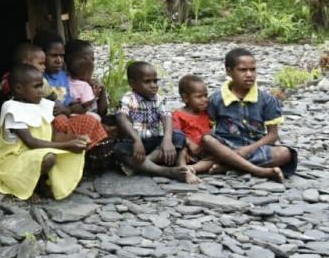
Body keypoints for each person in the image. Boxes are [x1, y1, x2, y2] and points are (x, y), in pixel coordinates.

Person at [0, 64, 87, 200]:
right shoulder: (11, 109)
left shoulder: (43, 105)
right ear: (19, 89)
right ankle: (31, 186)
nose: (41, 91)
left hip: (36, 153)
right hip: (16, 161)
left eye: (41, 86)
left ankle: (42, 182)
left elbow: (53, 136)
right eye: (36, 86)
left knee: (71, 151)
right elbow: (31, 142)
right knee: (49, 157)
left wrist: (75, 138)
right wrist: (67, 144)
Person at [199, 48, 297, 181]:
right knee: (207, 140)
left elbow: (273, 135)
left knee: (284, 153)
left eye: (253, 69)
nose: (249, 74)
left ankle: (228, 166)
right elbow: (206, 128)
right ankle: (258, 170)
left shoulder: (267, 99)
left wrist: (249, 149)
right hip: (227, 146)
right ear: (229, 71)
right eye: (243, 70)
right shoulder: (216, 99)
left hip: (256, 146)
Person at [114, 61, 194, 182]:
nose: (153, 85)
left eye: (155, 81)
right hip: (136, 144)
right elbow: (121, 117)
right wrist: (136, 140)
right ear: (132, 83)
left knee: (178, 136)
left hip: (155, 144)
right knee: (119, 149)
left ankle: (142, 164)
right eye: (147, 82)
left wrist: (167, 140)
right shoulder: (129, 98)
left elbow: (166, 117)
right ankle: (164, 171)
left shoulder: (157, 99)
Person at [39, 35, 108, 147]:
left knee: (91, 120)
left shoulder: (65, 78)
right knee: (89, 121)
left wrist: (68, 109)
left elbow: (82, 108)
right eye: (54, 55)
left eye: (61, 56)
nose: (58, 60)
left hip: (68, 115)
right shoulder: (45, 79)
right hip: (54, 119)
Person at [171, 74, 215, 178]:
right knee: (181, 150)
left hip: (202, 151)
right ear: (185, 98)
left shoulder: (206, 113)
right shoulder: (178, 114)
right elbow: (175, 132)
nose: (204, 100)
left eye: (206, 95)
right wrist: (189, 143)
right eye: (199, 97)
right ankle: (182, 169)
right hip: (187, 150)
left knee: (217, 156)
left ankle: (193, 168)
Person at [66, 39, 109, 117]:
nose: (92, 64)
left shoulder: (93, 83)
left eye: (93, 60)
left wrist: (102, 91)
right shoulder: (67, 84)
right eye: (90, 60)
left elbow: (102, 112)